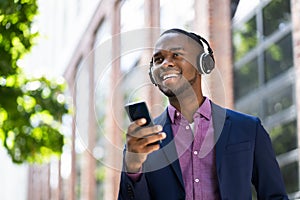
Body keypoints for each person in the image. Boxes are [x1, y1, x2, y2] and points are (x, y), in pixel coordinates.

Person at [118, 28, 288, 200]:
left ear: (203, 63)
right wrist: (132, 167)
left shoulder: (248, 129)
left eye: (176, 55)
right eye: (158, 59)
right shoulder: (142, 143)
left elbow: (275, 196)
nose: (165, 64)